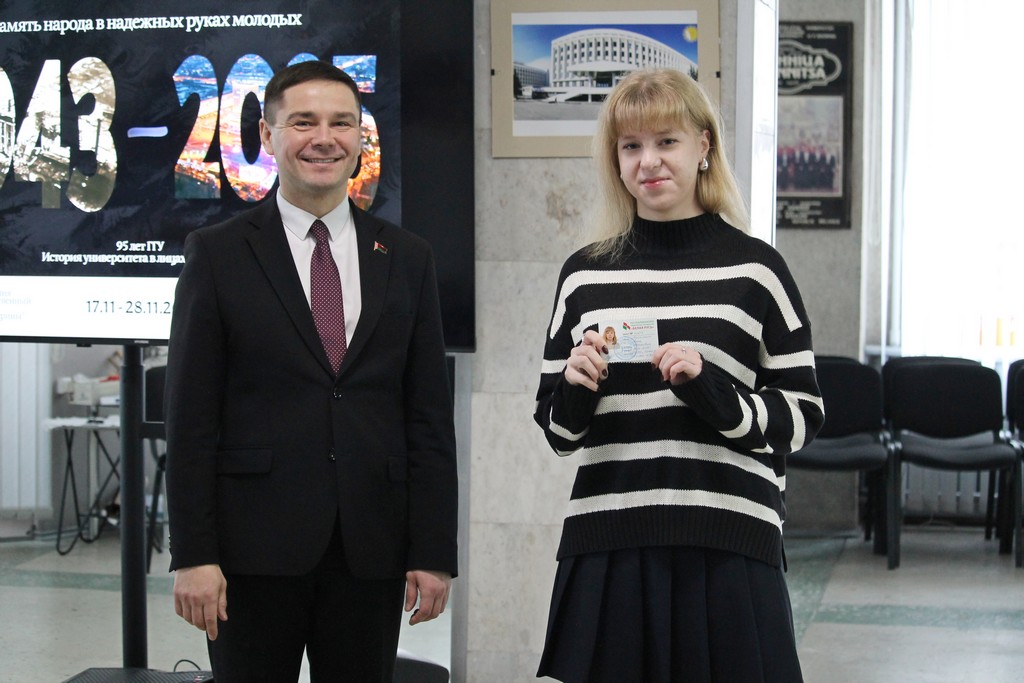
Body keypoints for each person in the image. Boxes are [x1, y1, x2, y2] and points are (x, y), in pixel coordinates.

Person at [164, 60, 458, 683]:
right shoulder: (217, 254)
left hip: (370, 550)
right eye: (303, 122)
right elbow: (190, 419)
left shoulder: (407, 258)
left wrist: (434, 551)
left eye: (341, 123)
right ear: (267, 136)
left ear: (360, 138)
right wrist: (193, 554)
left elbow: (429, 417)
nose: (324, 139)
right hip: (249, 554)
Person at [533, 68, 823, 682]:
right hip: (610, 540)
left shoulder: (758, 270)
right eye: (631, 146)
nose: (649, 162)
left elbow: (802, 417)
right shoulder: (585, 276)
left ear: (703, 146)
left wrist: (712, 392)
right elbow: (558, 433)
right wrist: (577, 388)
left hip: (729, 543)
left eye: (667, 141)